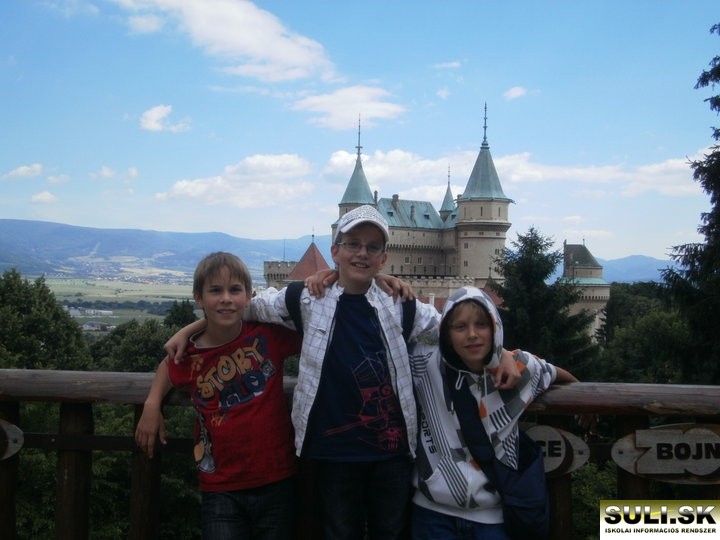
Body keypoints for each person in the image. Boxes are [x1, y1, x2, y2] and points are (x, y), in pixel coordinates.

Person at [165, 206, 520, 540]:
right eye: (352, 244)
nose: (361, 253)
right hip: (332, 454)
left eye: (372, 247)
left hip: (391, 454)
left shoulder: (401, 305)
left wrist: (501, 353)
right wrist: (189, 330)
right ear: (335, 251)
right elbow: (243, 307)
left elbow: (456, 328)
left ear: (384, 258)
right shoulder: (307, 299)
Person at [134, 251, 302, 540]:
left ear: (248, 297)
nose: (226, 298)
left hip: (276, 477)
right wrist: (152, 404)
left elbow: (315, 326)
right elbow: (168, 367)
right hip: (221, 486)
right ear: (198, 298)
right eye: (215, 291)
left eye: (234, 290)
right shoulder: (192, 355)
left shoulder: (266, 336)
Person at [408, 286, 578, 540]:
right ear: (447, 334)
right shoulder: (426, 366)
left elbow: (554, 373)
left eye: (481, 325)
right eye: (460, 327)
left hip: (491, 519)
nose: (472, 334)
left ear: (495, 328)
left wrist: (583, 402)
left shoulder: (519, 370)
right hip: (433, 514)